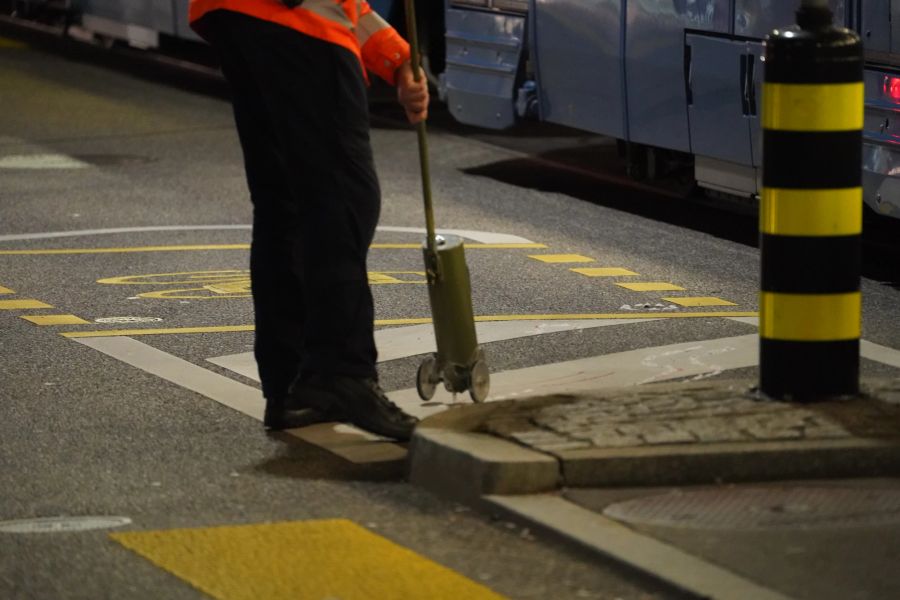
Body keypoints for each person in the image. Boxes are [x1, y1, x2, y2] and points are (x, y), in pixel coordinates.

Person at [188, 0, 429, 441]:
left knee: (287, 206)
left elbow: (345, 5)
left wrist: (395, 58)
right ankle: (340, 373)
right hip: (296, 18)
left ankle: (291, 385)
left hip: (240, 16)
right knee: (343, 198)